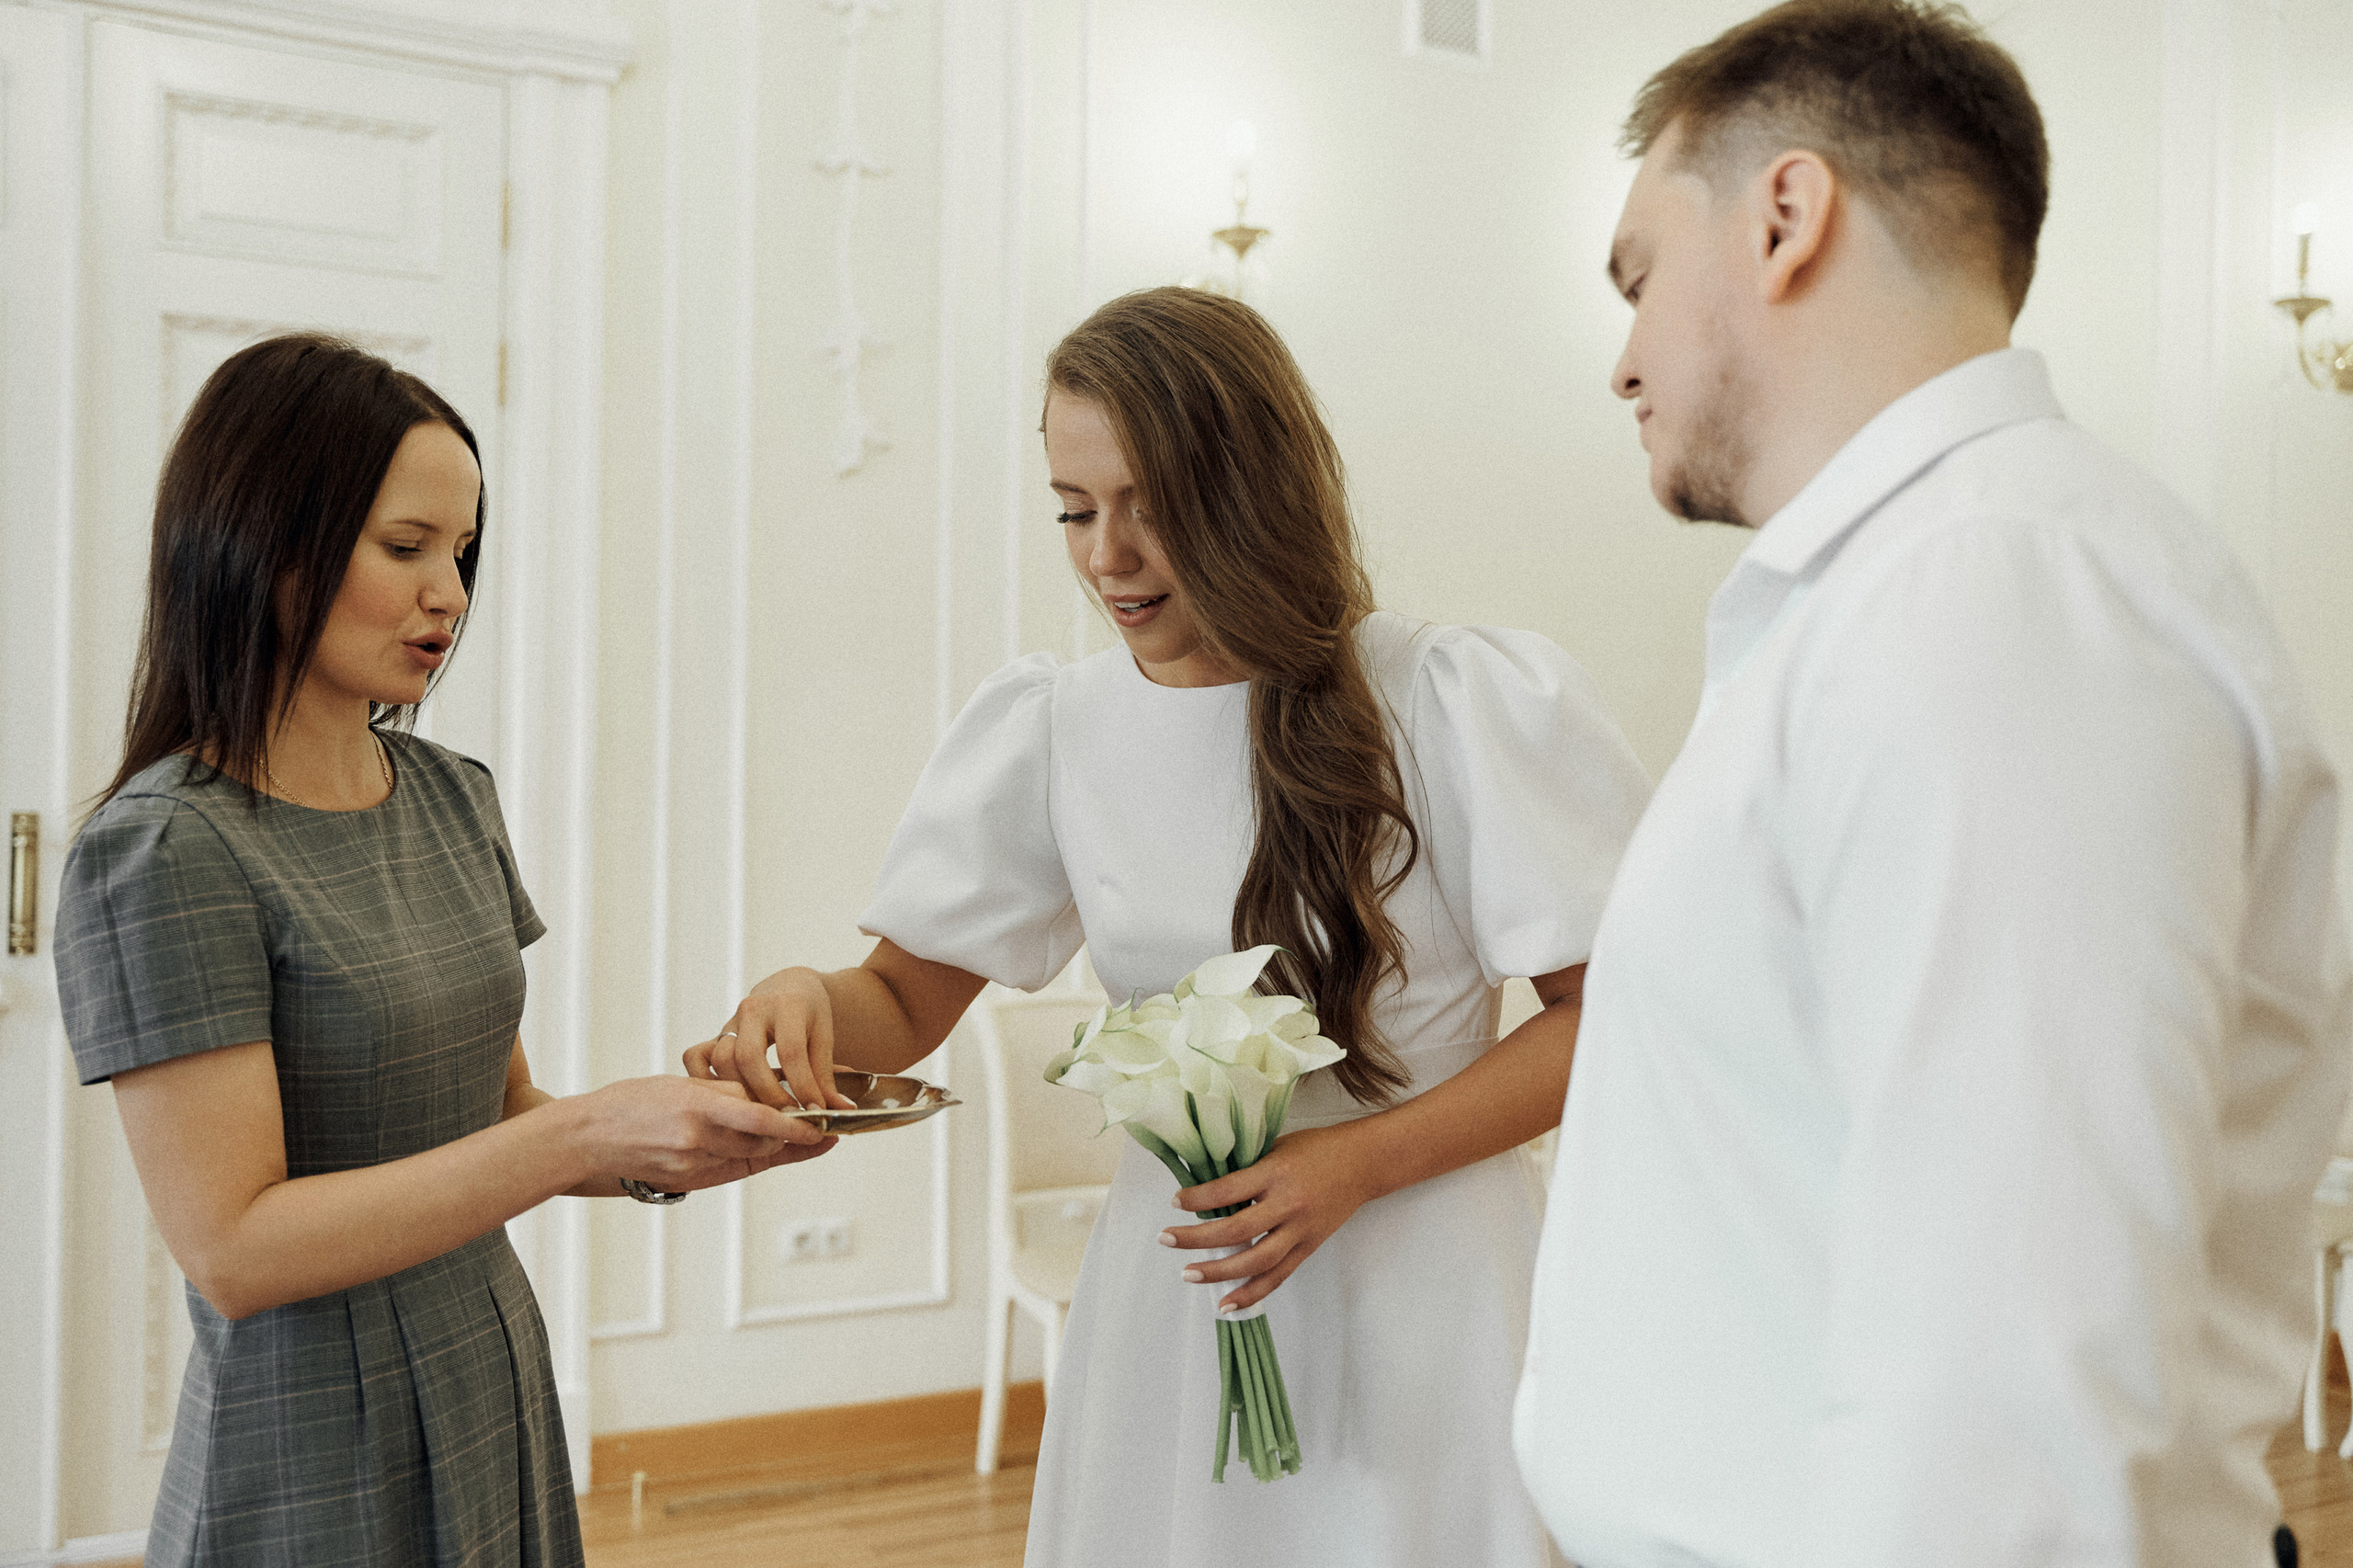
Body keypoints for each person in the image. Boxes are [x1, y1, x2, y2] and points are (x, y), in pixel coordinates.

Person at [1512, 4, 2353, 1565]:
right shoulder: (1905, 597)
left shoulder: (1998, 596)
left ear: (1784, 216)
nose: (1624, 362)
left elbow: (2012, 1376)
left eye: (1637, 277)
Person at [688, 286, 1652, 1566]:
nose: (1106, 556)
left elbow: (1612, 1020)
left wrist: (1357, 1164)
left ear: (1256, 494)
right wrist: (809, 994)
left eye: (1153, 507)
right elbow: (905, 1000)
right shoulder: (1053, 727)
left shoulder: (1452, 697)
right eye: (1076, 511)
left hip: (1430, 1277)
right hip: (1190, 1280)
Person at [52, 335, 835, 1567]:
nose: (450, 594)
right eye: (405, 547)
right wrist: (583, 1135)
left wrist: (674, 1138)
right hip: (310, 1432)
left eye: (461, 553)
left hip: (487, 1369)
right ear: (266, 539)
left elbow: (503, 1112)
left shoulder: (450, 795)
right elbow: (234, 1247)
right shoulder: (165, 851)